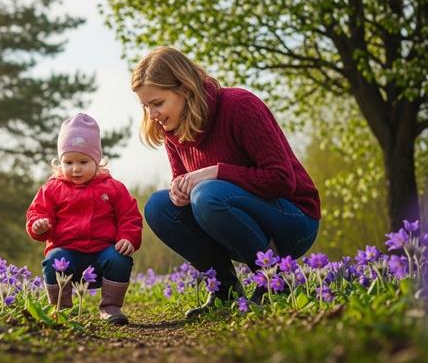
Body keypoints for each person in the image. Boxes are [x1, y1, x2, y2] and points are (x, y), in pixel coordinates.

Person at [132, 46, 321, 317]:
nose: (152, 114)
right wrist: (179, 191)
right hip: (230, 222)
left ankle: (273, 282)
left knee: (208, 194)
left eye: (157, 103)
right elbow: (184, 182)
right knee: (159, 206)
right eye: (145, 106)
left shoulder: (241, 106)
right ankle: (224, 289)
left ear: (184, 89)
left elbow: (281, 180)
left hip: (293, 220)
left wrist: (215, 172)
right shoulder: (172, 130)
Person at [26, 113, 143, 325]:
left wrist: (128, 237)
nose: (75, 168)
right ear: (59, 162)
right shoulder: (52, 189)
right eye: (68, 162)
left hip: (102, 253)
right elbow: (37, 213)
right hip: (66, 252)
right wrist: (39, 226)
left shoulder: (113, 188)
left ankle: (110, 307)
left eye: (83, 161)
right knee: (53, 260)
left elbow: (130, 216)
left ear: (97, 160)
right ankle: (61, 309)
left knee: (120, 258)